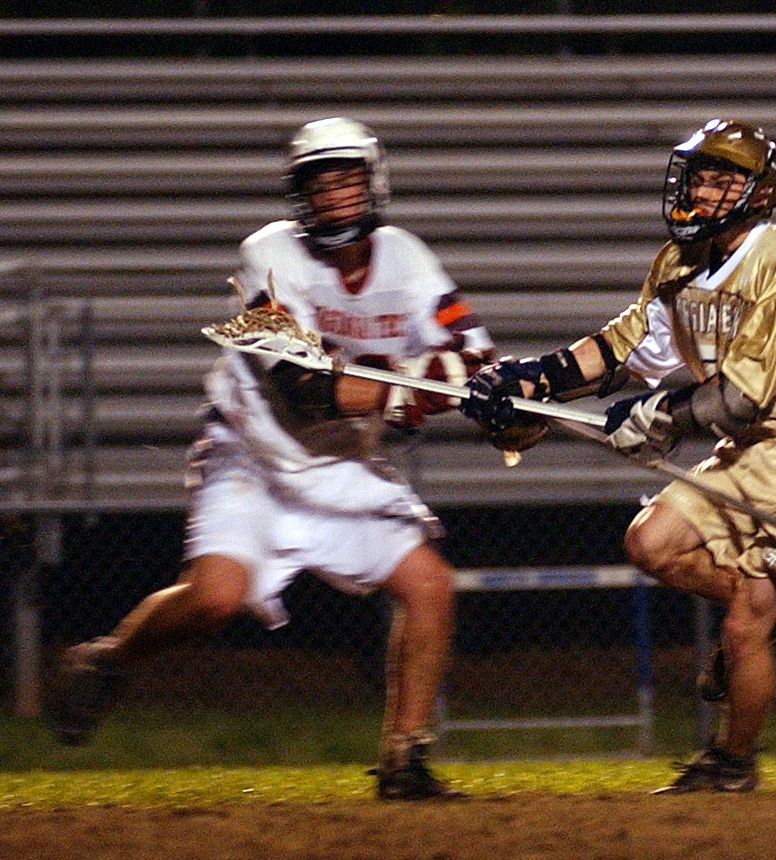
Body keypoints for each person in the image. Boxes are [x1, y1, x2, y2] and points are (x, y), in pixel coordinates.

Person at [45, 117, 493, 801]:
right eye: (319, 184)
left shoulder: (406, 258)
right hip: (252, 453)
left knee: (430, 586)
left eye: (346, 180)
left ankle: (404, 759)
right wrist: (416, 385)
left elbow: (478, 360)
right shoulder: (266, 254)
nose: (334, 196)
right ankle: (111, 659)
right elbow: (305, 386)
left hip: (338, 465)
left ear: (374, 183)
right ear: (299, 195)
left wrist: (487, 393)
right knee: (216, 596)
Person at [461, 118, 776, 793]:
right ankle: (764, 618)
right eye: (698, 178)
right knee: (649, 542)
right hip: (746, 450)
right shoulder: (678, 262)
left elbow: (742, 396)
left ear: (759, 194)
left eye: (721, 182)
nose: (701, 192)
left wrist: (658, 416)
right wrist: (533, 378)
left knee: (744, 625)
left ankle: (732, 762)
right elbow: (624, 348)